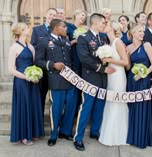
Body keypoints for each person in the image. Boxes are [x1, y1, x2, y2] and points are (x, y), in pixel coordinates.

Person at [73, 13, 116, 151]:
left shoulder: (103, 37)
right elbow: (84, 58)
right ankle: (78, 138)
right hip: (90, 78)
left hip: (103, 80)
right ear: (95, 23)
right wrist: (102, 68)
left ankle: (95, 132)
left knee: (99, 107)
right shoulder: (84, 38)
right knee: (86, 108)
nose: (104, 25)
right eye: (103, 22)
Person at [35, 19, 78, 146]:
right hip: (56, 80)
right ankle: (54, 134)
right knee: (56, 108)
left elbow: (70, 59)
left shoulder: (65, 40)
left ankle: (65, 132)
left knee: (71, 107)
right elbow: (38, 61)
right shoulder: (44, 41)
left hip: (70, 80)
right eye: (64, 27)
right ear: (55, 28)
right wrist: (52, 65)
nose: (66, 29)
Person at [8, 22, 44, 145]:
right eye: (26, 28)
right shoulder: (14, 47)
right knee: (23, 106)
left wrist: (36, 74)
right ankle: (23, 136)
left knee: (32, 105)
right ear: (20, 31)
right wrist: (26, 77)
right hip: (21, 81)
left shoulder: (30, 47)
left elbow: (34, 64)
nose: (29, 29)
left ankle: (33, 132)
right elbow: (11, 69)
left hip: (32, 81)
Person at [98, 21, 129, 146]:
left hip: (118, 75)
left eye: (107, 25)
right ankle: (108, 133)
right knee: (110, 101)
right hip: (110, 75)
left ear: (112, 28)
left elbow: (125, 62)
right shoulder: (109, 43)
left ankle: (118, 135)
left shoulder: (118, 42)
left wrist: (108, 60)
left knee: (117, 101)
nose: (104, 25)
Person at [126, 23, 152, 149]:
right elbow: (127, 66)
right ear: (133, 33)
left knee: (142, 107)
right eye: (139, 31)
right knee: (133, 107)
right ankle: (133, 137)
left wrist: (143, 74)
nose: (142, 33)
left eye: (143, 31)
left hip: (143, 81)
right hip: (132, 80)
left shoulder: (147, 45)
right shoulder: (128, 47)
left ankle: (142, 138)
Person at [31, 8, 57, 114]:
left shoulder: (57, 30)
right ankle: (39, 121)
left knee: (55, 98)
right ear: (46, 15)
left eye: (54, 15)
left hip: (55, 70)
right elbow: (33, 46)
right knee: (41, 96)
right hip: (42, 68)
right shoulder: (37, 30)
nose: (52, 16)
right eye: (50, 14)